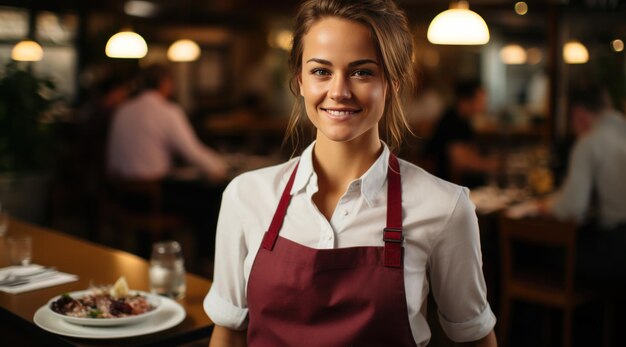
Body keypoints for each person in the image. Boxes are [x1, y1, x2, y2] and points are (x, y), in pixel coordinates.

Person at [204, 1, 497, 346]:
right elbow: (229, 332)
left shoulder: (445, 207)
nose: (339, 91)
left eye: (362, 72)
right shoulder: (245, 196)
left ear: (394, 83)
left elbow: (475, 338)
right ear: (299, 80)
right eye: (320, 71)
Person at [540, 83, 626, 283]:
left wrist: (545, 206)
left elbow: (572, 207)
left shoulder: (589, 142)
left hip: (616, 247)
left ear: (578, 113)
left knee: (537, 255)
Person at [106, 64, 228, 182]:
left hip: (118, 189)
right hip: (154, 189)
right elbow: (191, 151)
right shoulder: (167, 111)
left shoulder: (122, 110)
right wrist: (219, 166)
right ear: (165, 83)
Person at [423, 79, 498, 188]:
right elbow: (459, 161)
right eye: (481, 100)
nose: (484, 105)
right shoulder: (452, 121)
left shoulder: (463, 120)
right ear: (466, 100)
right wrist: (490, 165)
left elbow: (468, 152)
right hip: (447, 185)